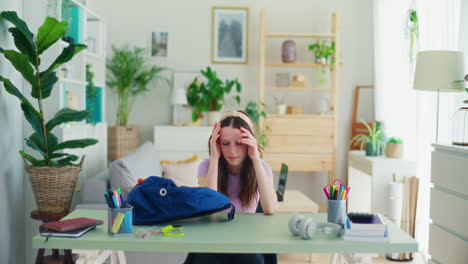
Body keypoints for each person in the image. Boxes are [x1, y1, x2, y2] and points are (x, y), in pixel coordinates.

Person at [184, 110, 278, 264]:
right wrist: (215, 157)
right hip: (214, 239)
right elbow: (209, 208)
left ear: (249, 142)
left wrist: (255, 157)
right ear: (217, 143)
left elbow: (270, 208)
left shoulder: (261, 167)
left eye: (239, 144)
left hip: (246, 241)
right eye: (225, 143)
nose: (232, 151)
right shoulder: (206, 166)